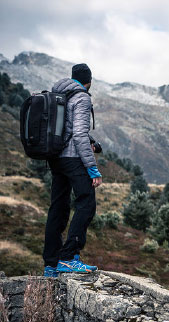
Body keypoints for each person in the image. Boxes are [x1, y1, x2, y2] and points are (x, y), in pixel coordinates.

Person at [43, 63, 102, 277]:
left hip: (55, 158)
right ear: (89, 81)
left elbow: (67, 129)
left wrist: (91, 143)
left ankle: (51, 265)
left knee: (58, 208)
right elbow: (78, 135)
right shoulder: (82, 97)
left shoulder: (58, 94)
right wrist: (92, 169)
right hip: (73, 159)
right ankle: (68, 258)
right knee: (86, 202)